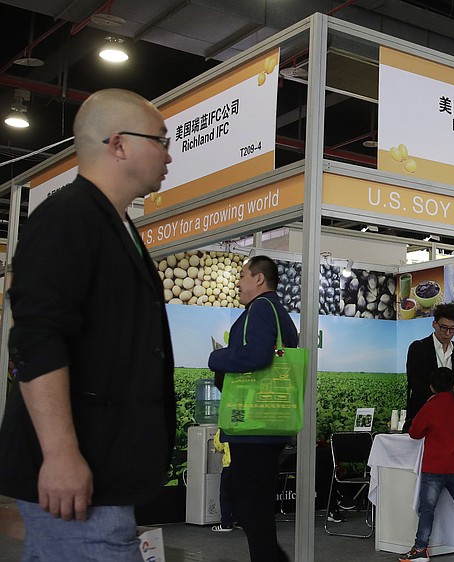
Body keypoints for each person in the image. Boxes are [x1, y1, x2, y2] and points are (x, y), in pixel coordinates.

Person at [0, 89, 176, 561]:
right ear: (117, 145)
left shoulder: (116, 226)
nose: (169, 152)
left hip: (103, 471)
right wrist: (59, 454)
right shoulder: (68, 217)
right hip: (80, 479)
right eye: (159, 140)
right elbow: (36, 338)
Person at [209, 255, 299, 562]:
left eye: (243, 275)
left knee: (250, 505)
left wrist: (217, 359)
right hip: (270, 425)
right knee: (251, 503)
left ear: (259, 279)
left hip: (253, 429)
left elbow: (257, 356)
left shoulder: (260, 310)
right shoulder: (279, 313)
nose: (239, 282)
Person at [400, 367, 454, 562]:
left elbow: (414, 433)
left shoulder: (429, 407)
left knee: (427, 509)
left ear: (432, 388)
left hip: (434, 467)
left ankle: (421, 549)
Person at [404, 303, 454, 431]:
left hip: (453, 418)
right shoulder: (419, 348)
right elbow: (415, 382)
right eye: (443, 327)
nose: (447, 333)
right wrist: (439, 404)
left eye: (452, 329)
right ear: (434, 324)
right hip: (425, 415)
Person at [212, 429, 237, 532]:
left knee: (226, 494)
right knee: (242, 493)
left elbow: (219, 445)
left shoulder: (225, 426)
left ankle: (226, 523)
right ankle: (241, 520)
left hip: (229, 464)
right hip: (246, 464)